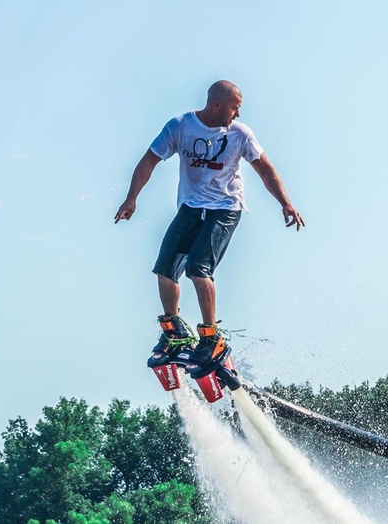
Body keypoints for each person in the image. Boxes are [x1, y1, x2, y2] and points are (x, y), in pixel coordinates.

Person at [115, 80, 305, 376]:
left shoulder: (241, 134)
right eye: (234, 107)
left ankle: (211, 337)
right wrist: (131, 198)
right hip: (191, 207)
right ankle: (173, 332)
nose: (238, 114)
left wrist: (286, 202)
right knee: (165, 267)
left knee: (197, 268)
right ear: (217, 105)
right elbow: (149, 160)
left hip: (225, 208)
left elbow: (265, 169)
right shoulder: (180, 126)